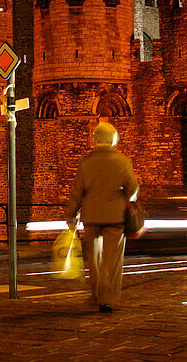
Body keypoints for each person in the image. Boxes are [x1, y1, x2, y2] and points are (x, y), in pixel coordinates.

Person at [65, 121, 140, 312]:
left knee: (94, 259)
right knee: (112, 259)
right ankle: (107, 298)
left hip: (91, 217)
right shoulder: (123, 161)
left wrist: (71, 214)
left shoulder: (86, 162)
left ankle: (97, 291)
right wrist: (124, 197)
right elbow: (133, 189)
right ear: (114, 139)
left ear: (95, 140)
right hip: (115, 217)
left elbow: (77, 191)